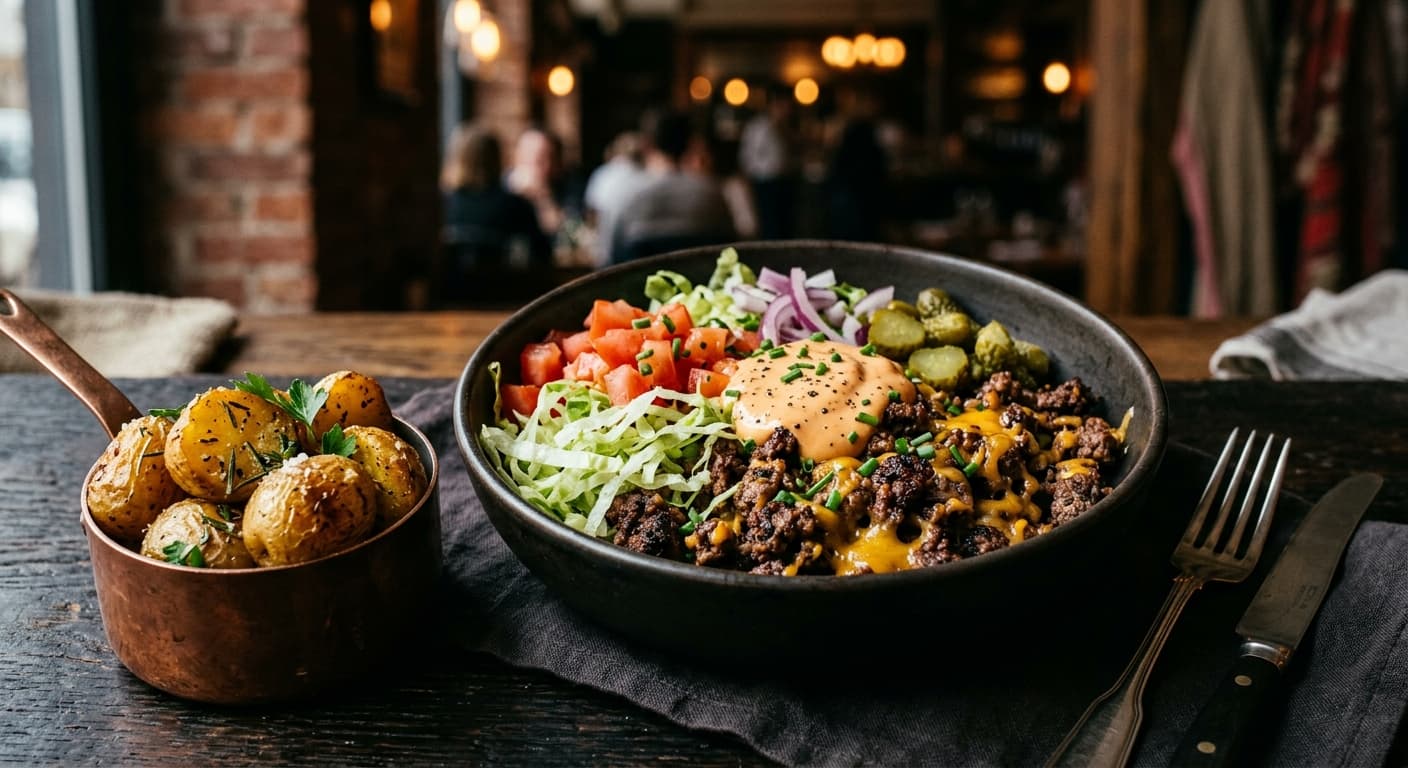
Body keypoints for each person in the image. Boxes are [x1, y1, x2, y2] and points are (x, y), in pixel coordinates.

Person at [440, 124, 552, 301]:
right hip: (503, 301)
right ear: (496, 159)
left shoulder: (443, 204)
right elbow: (544, 253)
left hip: (449, 298)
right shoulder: (515, 204)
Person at [608, 110, 736, 263]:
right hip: (704, 283)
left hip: (641, 285)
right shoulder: (713, 194)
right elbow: (732, 251)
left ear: (648, 143)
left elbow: (614, 258)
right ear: (690, 143)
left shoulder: (632, 196)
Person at [738, 85, 797, 239]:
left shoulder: (787, 128)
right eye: (783, 106)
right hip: (765, 183)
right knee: (769, 226)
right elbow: (747, 157)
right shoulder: (758, 127)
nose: (786, 110)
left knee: (786, 226)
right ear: (774, 105)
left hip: (785, 181)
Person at [582, 131, 648, 267]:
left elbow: (591, 217)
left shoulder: (601, 175)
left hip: (605, 256)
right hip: (637, 257)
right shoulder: (645, 177)